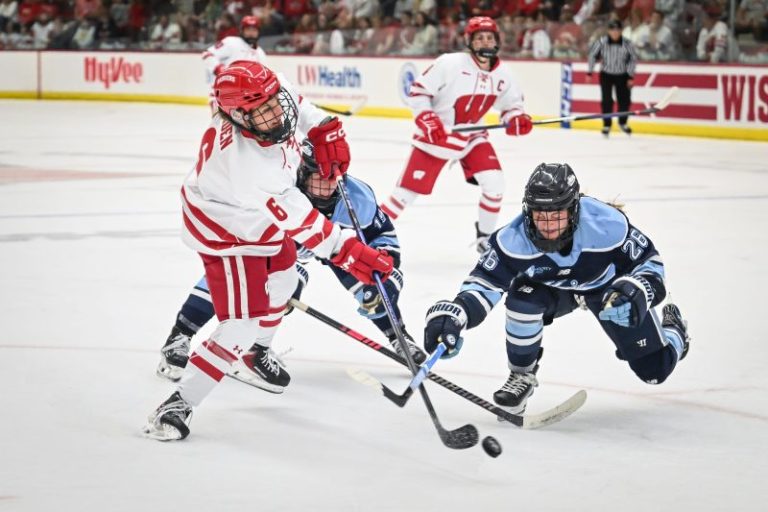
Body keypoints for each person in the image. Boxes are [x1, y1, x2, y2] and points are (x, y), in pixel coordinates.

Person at [143, 61, 394, 441]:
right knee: (242, 323)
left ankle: (254, 353)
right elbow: (306, 224)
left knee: (286, 280)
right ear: (239, 116)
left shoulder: (266, 94)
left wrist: (326, 127)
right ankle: (178, 404)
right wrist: (349, 252)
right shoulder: (249, 167)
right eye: (263, 111)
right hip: (227, 230)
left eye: (275, 102)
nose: (276, 113)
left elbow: (300, 105)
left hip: (254, 215)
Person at [156, 139, 426, 389]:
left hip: (329, 245)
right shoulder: (279, 189)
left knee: (370, 282)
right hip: (270, 247)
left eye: (335, 178)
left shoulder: (357, 197)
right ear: (303, 172)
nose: (329, 186)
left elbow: (382, 234)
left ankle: (399, 337)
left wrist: (385, 266)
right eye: (320, 178)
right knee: (235, 277)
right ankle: (181, 335)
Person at [423, 163, 691, 416]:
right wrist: (457, 314)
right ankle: (521, 375)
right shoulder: (512, 239)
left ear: (574, 211)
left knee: (655, 370)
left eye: (557, 216)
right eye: (540, 215)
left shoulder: (607, 224)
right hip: (552, 288)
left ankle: (676, 331)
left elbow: (650, 263)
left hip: (607, 291)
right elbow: (484, 283)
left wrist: (636, 291)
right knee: (522, 300)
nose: (548, 225)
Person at [379, 16, 532, 254]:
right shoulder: (450, 64)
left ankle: (485, 238)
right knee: (404, 195)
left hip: (472, 138)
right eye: (479, 38)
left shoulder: (504, 74)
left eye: (489, 37)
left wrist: (515, 119)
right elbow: (419, 91)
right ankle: (369, 232)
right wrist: (427, 117)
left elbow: (511, 105)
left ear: (497, 41)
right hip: (436, 139)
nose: (485, 42)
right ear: (469, 41)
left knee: (495, 183)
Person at [202, 15, 267, 112]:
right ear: (242, 30)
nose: (251, 33)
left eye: (254, 30)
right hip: (221, 94)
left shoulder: (261, 53)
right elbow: (207, 54)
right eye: (248, 29)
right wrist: (219, 69)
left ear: (258, 32)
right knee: (221, 121)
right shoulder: (231, 42)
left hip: (245, 100)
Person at [587, 19, 638, 137]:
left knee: (624, 101)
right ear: (608, 31)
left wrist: (630, 76)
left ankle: (622, 122)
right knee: (606, 101)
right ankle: (607, 124)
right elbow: (592, 55)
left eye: (617, 30)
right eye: (612, 30)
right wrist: (589, 72)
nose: (615, 32)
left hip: (623, 75)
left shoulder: (627, 43)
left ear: (621, 31)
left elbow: (632, 59)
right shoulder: (601, 42)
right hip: (606, 75)